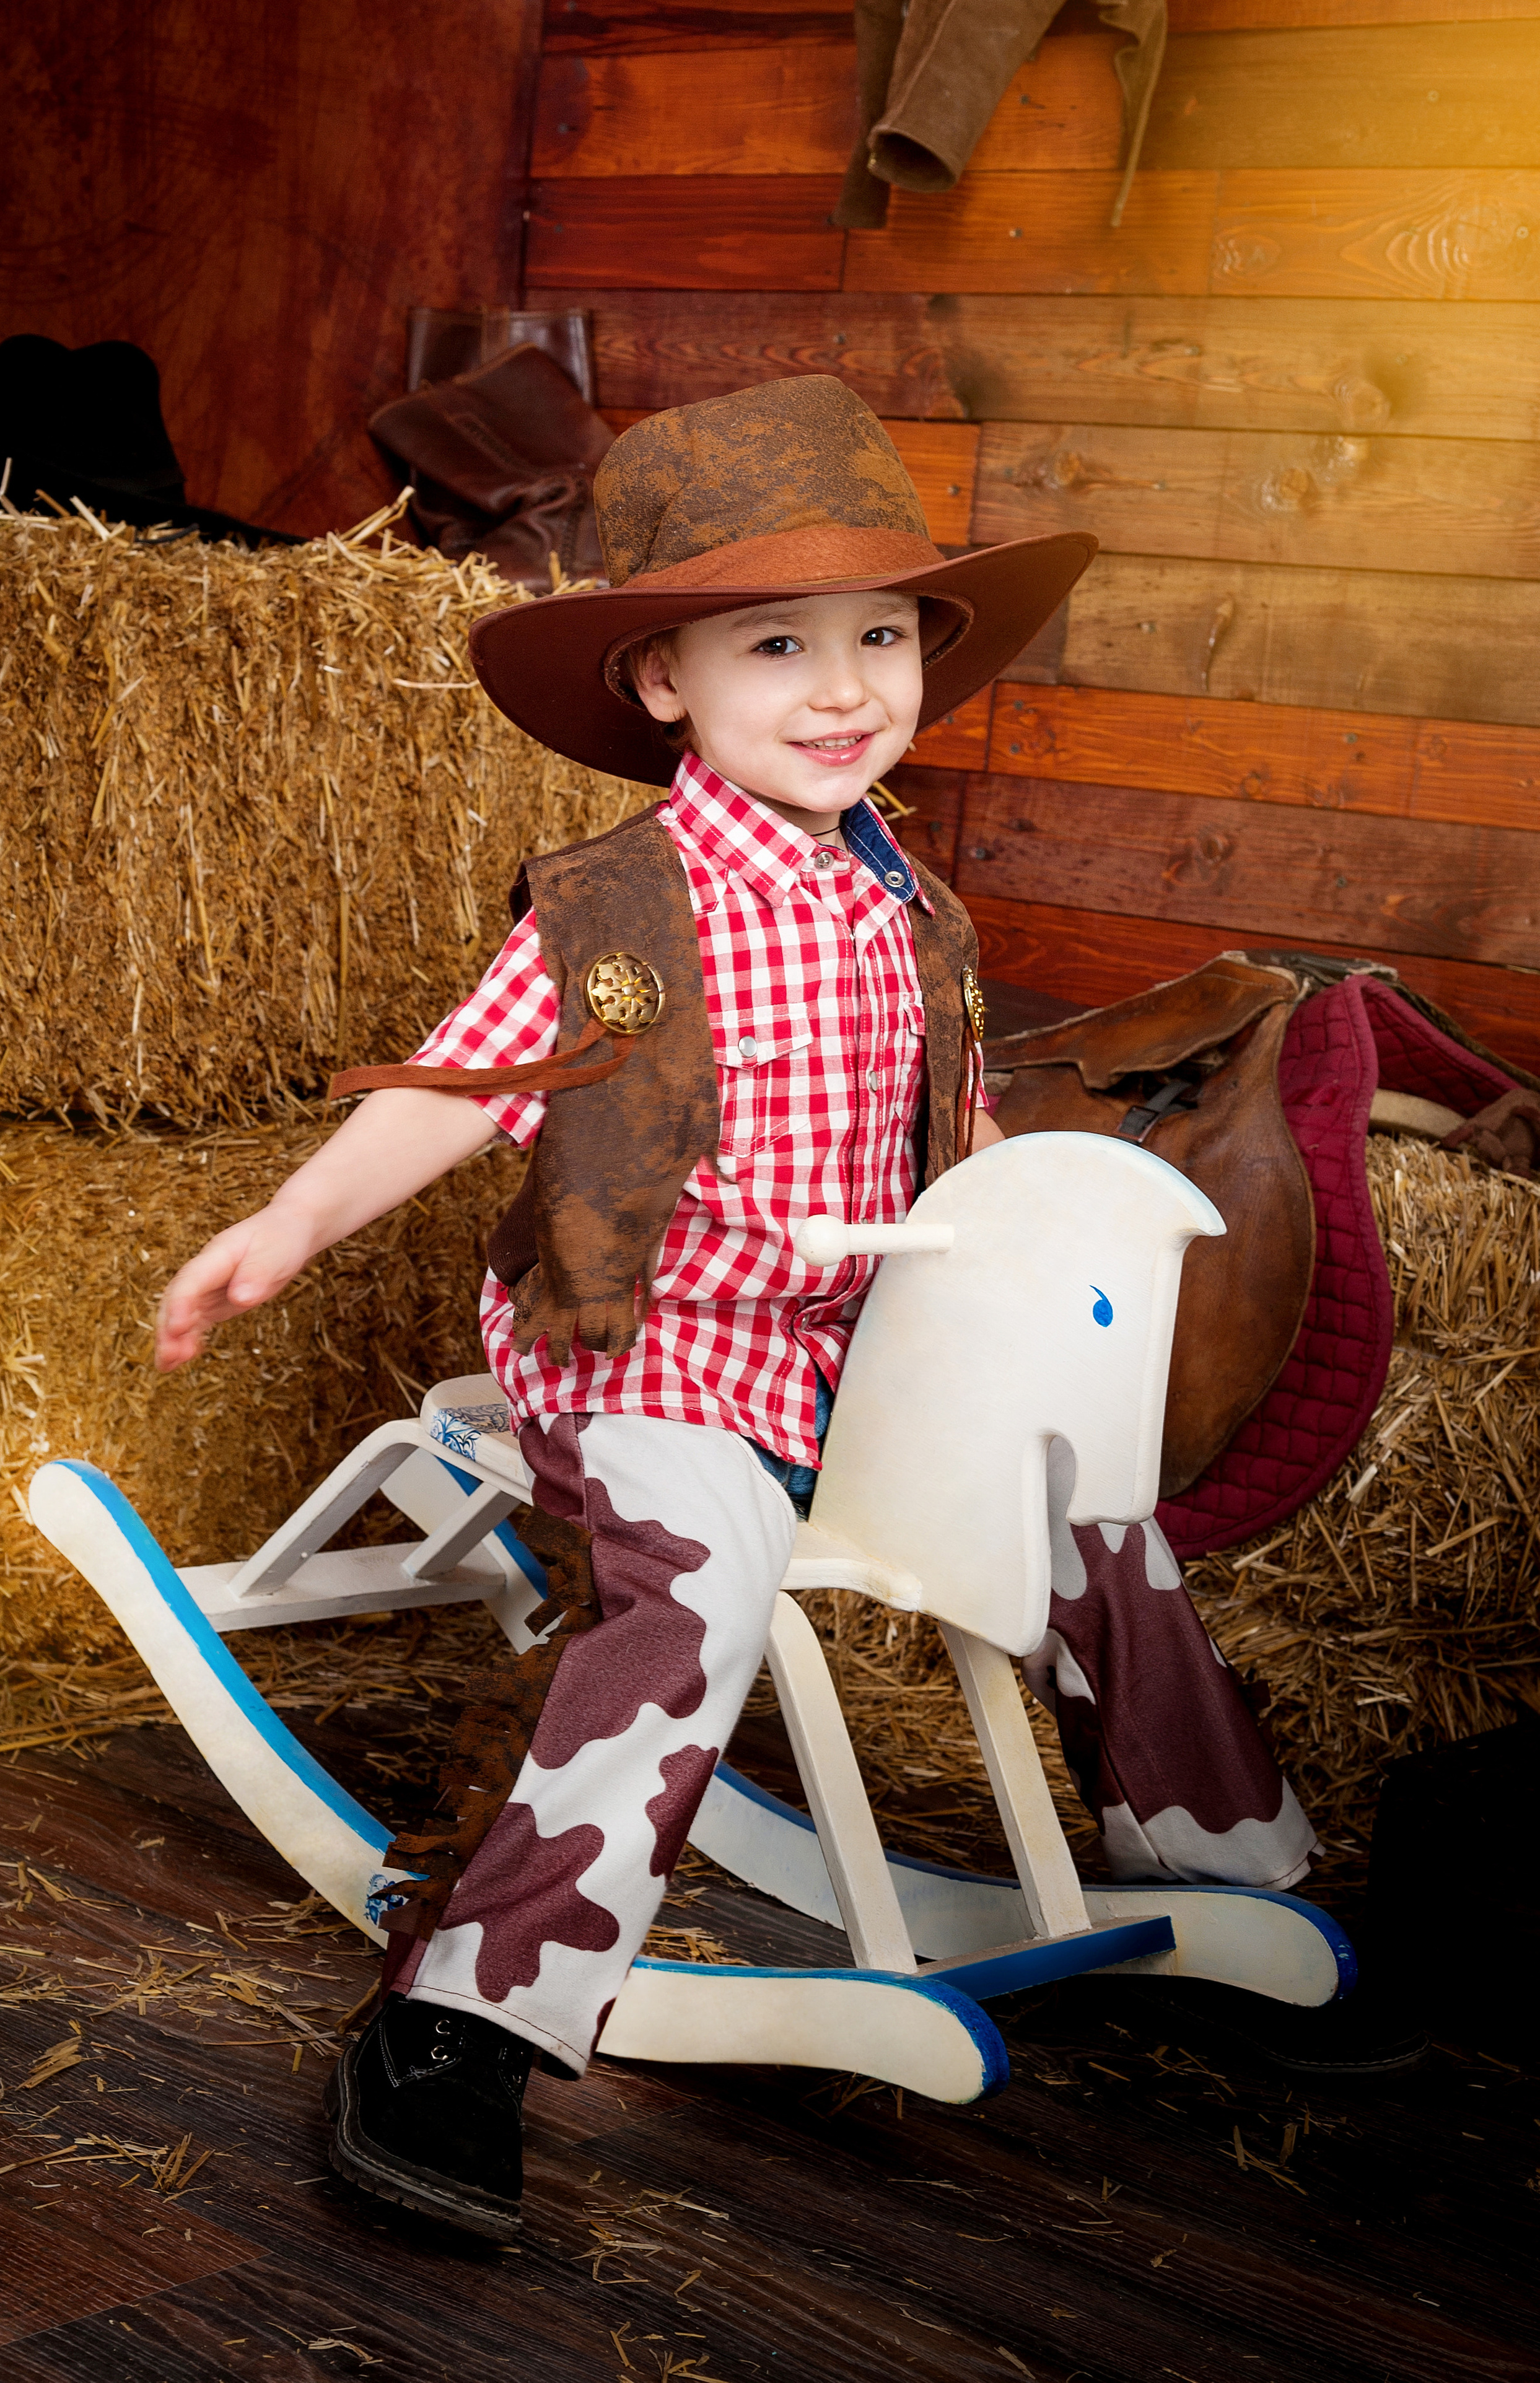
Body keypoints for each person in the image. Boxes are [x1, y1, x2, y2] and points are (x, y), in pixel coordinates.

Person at [154, 378, 1335, 2243]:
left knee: (1080, 1503)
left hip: (848, 1356)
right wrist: (289, 1225)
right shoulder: (634, 902)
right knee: (702, 1569)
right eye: (777, 642)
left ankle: (1221, 1867)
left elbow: (953, 1140)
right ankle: (466, 2016)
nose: (844, 684)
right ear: (662, 683)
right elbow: (470, 1084)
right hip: (649, 1346)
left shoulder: (908, 904)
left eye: (880, 635)